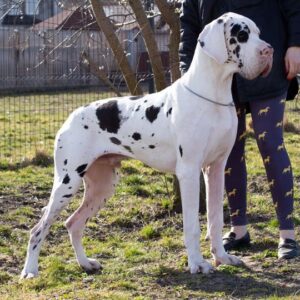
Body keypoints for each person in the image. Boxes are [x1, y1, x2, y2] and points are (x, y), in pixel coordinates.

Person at [179, 0, 300, 259]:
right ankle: (239, 230)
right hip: (222, 76)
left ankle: (288, 235)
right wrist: (186, 70)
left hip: (268, 60)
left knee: (269, 141)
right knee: (230, 148)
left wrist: (296, 44)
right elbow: (189, 24)